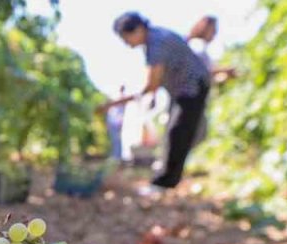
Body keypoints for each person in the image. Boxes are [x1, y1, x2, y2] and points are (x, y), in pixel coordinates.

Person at [100, 12, 210, 189]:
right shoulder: (157, 37)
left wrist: (118, 102)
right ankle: (166, 178)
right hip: (182, 91)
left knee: (178, 132)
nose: (126, 43)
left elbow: (152, 84)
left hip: (192, 88)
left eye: (125, 37)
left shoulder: (156, 43)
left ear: (138, 29)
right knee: (174, 132)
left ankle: (165, 182)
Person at [187, 16, 238, 85]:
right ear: (205, 28)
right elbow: (199, 70)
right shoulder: (197, 44)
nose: (214, 34)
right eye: (213, 30)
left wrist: (224, 76)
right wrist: (225, 70)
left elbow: (204, 79)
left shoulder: (196, 45)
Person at [105, 85, 128, 161]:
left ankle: (117, 157)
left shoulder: (122, 98)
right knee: (114, 140)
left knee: (117, 140)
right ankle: (116, 156)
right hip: (113, 121)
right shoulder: (115, 98)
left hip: (117, 122)